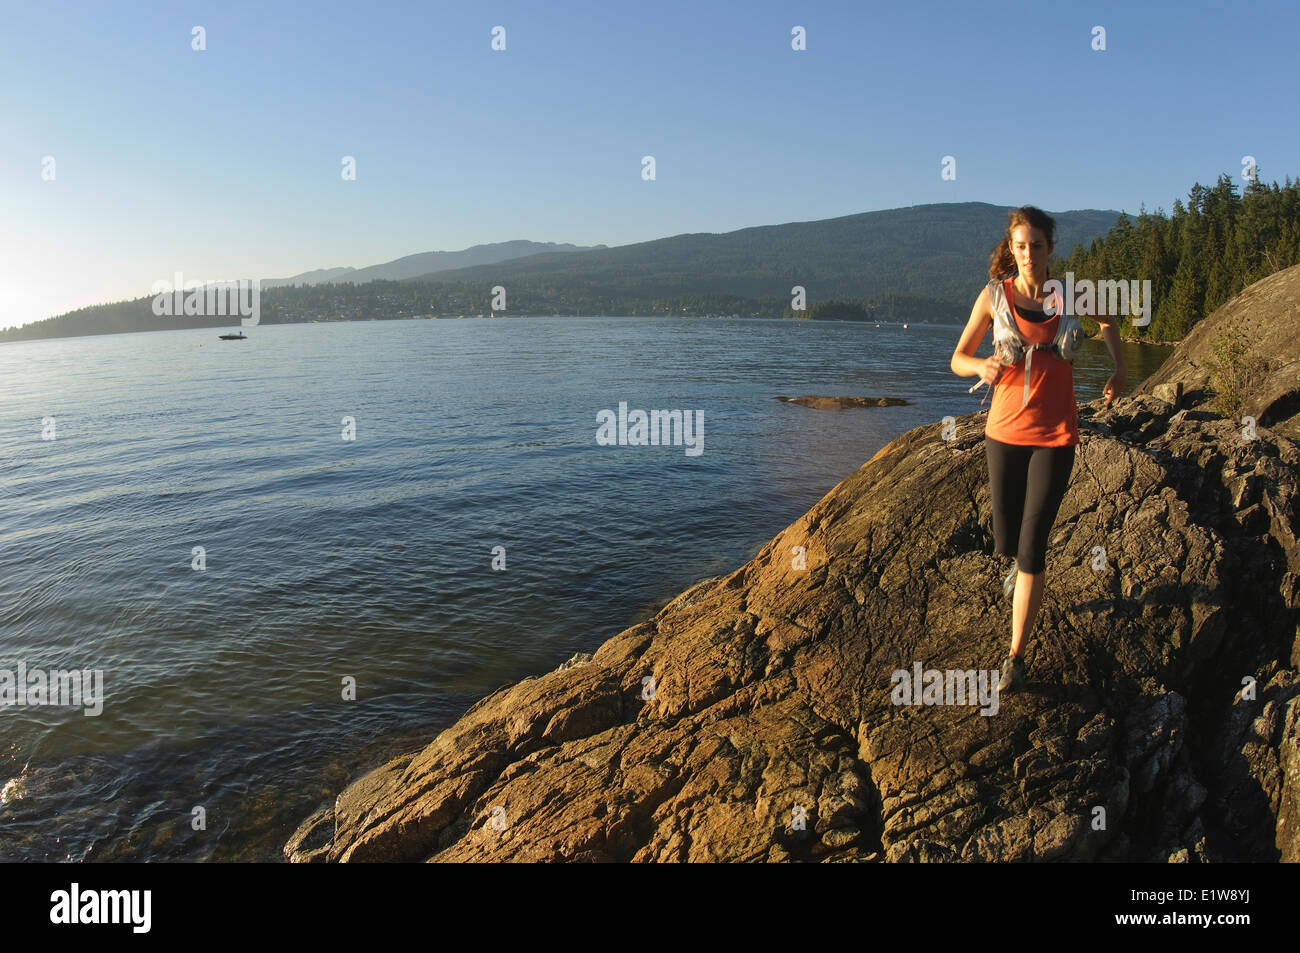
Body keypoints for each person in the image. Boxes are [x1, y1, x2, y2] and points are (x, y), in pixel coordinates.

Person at [949, 206, 1127, 692]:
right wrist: (980, 367)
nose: (1029, 254)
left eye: (1038, 246)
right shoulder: (992, 298)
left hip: (1056, 436)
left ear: (1051, 248)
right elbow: (957, 358)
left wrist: (1118, 370)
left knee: (1032, 547)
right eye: (1021, 246)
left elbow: (1108, 321)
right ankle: (1016, 572)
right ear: (1012, 248)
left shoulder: (1073, 295)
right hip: (1002, 435)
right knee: (1005, 540)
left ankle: (1015, 657)